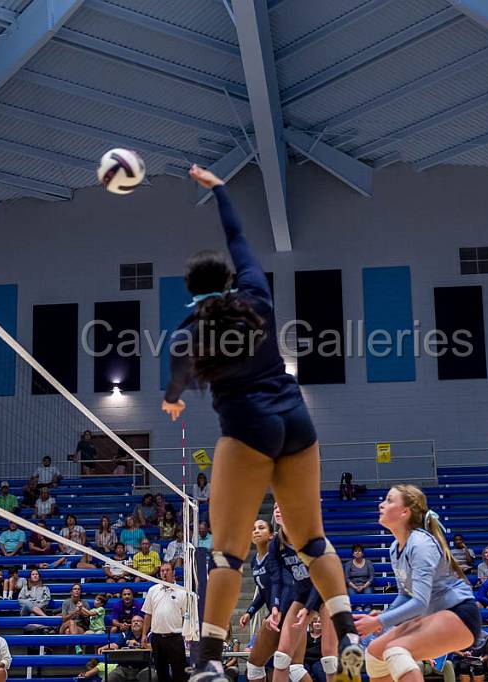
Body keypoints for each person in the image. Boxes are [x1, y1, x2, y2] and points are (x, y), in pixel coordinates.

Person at [162, 167, 362, 681]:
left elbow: (177, 380)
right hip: (296, 420)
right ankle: (350, 632)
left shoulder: (188, 333)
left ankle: (205, 663)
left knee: (226, 553)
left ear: (189, 291)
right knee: (312, 540)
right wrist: (221, 190)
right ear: (228, 279)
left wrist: (173, 402)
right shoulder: (256, 295)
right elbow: (239, 238)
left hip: (248, 429)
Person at [353, 485, 482, 682]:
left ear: (405, 512)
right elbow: (406, 595)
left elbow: (420, 602)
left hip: (459, 614)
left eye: (389, 500)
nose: (381, 505)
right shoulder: (395, 547)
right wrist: (384, 617)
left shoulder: (421, 544)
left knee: (396, 651)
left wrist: (379, 621)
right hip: (436, 615)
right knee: (374, 653)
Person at [265, 504, 328, 682]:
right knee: (282, 657)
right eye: (275, 506)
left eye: (282, 506)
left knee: (330, 659)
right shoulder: (276, 543)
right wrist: (275, 607)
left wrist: (309, 609)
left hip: (326, 593)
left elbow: (320, 579)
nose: (277, 509)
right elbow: (276, 579)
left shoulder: (309, 537)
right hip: (302, 594)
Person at [239, 519, 282, 682]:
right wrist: (250, 612)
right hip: (274, 615)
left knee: (289, 666)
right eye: (253, 528)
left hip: (283, 612)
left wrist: (277, 609)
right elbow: (263, 593)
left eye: (261, 528)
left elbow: (281, 584)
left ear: (271, 535)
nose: (256, 531)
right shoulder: (254, 562)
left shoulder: (276, 556)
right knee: (256, 666)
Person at [142, 562, 188, 682]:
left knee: (179, 673)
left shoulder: (182, 592)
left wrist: (186, 636)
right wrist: (143, 635)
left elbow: (185, 617)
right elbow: (148, 614)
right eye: (162, 571)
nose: (164, 573)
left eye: (167, 570)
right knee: (161, 673)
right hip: (157, 638)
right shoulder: (152, 590)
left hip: (175, 638)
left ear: (173, 572)